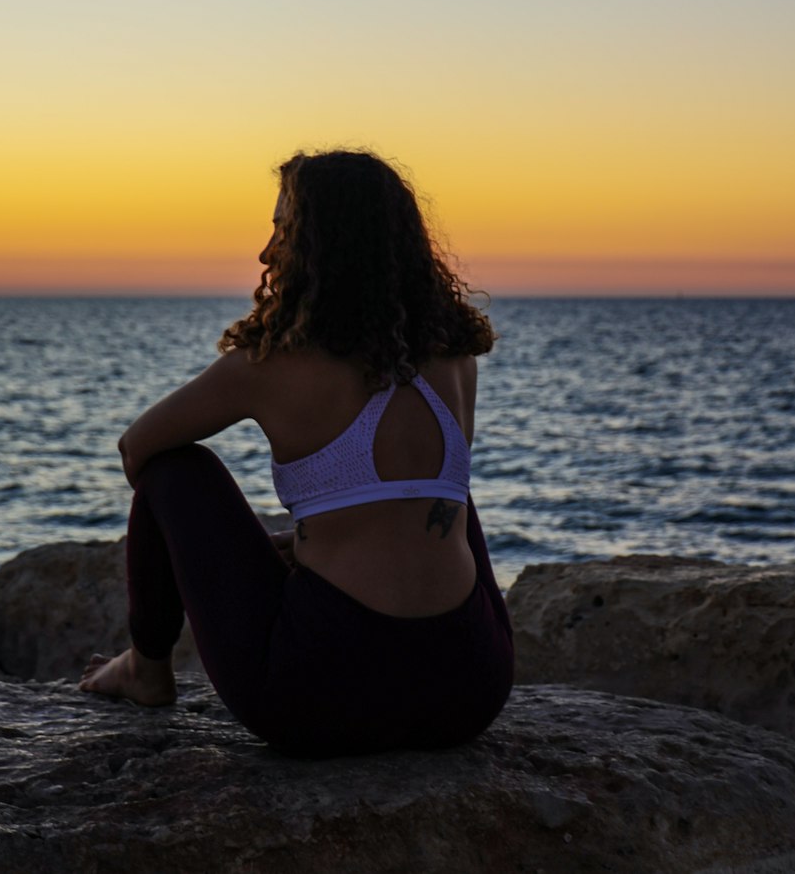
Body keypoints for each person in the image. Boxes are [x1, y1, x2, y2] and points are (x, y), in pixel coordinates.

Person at [79, 149, 513, 756]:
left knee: (177, 468)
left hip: (320, 700)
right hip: (468, 692)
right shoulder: (457, 359)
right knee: (442, 489)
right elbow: (393, 516)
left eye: (283, 230)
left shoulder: (270, 364)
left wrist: (246, 549)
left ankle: (145, 670)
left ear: (321, 246)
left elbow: (137, 449)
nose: (265, 253)